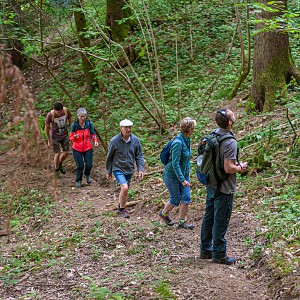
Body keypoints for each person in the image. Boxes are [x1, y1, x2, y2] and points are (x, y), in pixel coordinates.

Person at [199, 108, 248, 265]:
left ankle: (205, 250)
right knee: (221, 219)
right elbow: (228, 168)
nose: (234, 114)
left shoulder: (214, 135)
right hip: (224, 186)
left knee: (209, 216)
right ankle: (219, 253)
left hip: (211, 182)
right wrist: (241, 167)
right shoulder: (230, 142)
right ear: (229, 122)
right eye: (232, 114)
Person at [159, 117, 197, 229]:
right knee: (175, 199)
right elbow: (175, 163)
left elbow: (186, 160)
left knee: (186, 198)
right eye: (193, 128)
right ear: (188, 129)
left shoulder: (187, 139)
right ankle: (163, 214)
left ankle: (181, 222)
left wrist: (186, 175)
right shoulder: (178, 143)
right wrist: (182, 179)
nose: (194, 130)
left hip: (184, 175)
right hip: (172, 175)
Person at [106, 119, 144, 218]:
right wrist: (109, 171)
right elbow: (109, 157)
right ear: (121, 128)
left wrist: (140, 169)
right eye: (126, 127)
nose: (128, 129)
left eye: (130, 127)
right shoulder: (114, 141)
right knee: (125, 187)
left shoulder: (135, 140)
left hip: (129, 169)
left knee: (126, 189)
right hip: (118, 168)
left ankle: (120, 206)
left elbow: (139, 155)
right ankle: (123, 210)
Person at [69, 108, 99, 188]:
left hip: (87, 147)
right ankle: (78, 180)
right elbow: (71, 137)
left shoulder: (89, 124)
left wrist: (95, 140)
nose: (83, 118)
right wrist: (74, 137)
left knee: (89, 164)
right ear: (78, 116)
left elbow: (93, 134)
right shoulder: (74, 125)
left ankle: (87, 175)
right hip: (77, 148)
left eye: (84, 116)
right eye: (81, 116)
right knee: (80, 166)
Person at [45, 102, 72, 177]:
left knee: (66, 153)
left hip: (64, 134)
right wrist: (49, 140)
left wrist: (71, 132)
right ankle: (56, 169)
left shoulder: (66, 111)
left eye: (60, 111)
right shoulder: (50, 115)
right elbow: (46, 128)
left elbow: (70, 121)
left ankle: (59, 164)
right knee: (57, 153)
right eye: (58, 112)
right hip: (54, 136)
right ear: (54, 110)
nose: (59, 113)